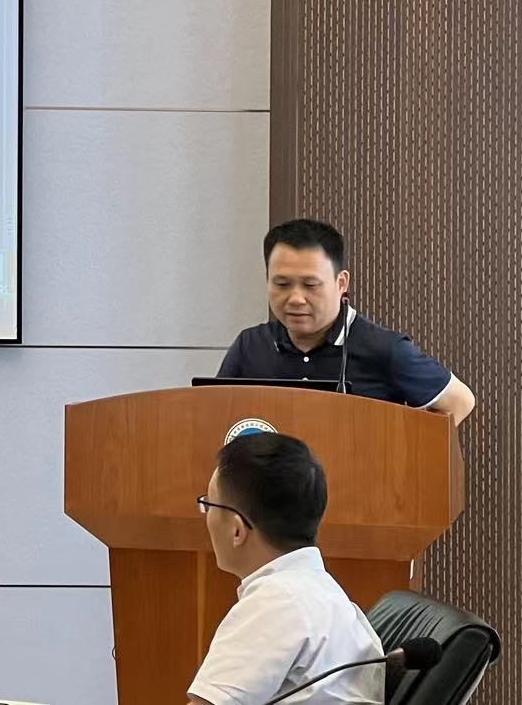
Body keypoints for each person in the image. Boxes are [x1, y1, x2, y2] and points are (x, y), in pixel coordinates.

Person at [189, 432, 384, 705]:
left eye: (208, 505)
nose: (207, 516)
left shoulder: (274, 603)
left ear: (236, 530)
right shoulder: (321, 591)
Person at [216, 218, 475, 424]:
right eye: (282, 284)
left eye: (310, 285)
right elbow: (215, 414)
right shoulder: (250, 345)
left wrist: (402, 456)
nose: (295, 299)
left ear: (341, 283)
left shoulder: (385, 349)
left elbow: (460, 402)